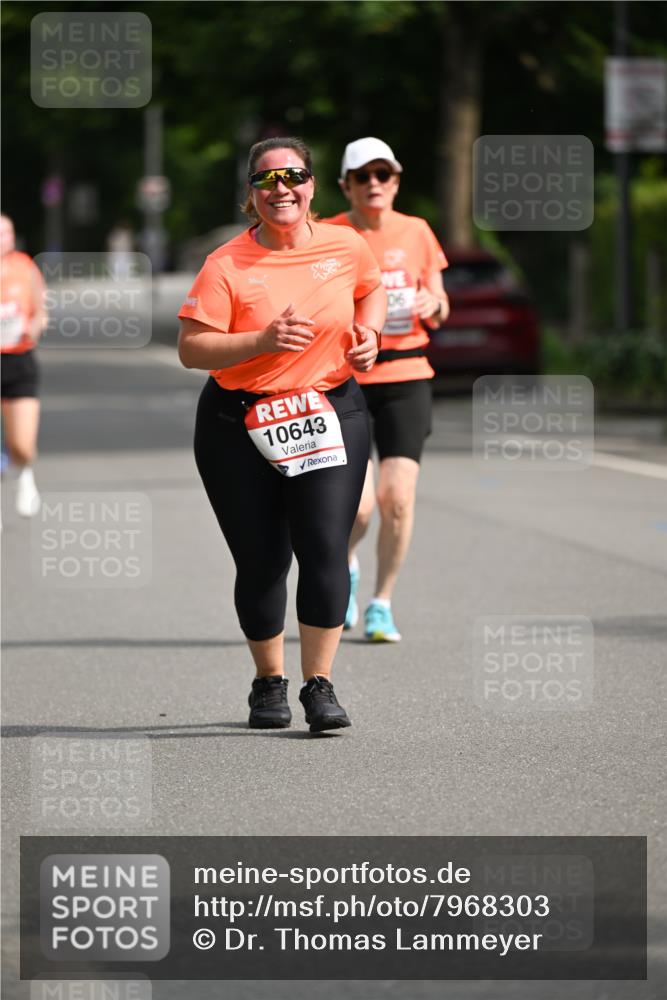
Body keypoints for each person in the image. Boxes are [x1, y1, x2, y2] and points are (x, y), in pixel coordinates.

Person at [177, 136, 386, 732]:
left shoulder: (347, 246)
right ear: (252, 193)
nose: (281, 190)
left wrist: (370, 334)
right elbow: (192, 347)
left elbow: (371, 289)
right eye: (267, 180)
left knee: (323, 547)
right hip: (237, 422)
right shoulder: (226, 263)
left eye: (292, 177)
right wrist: (262, 341)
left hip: (328, 409)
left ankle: (319, 685)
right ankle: (269, 681)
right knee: (263, 560)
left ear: (312, 185)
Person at [327, 138, 449, 643]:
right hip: (346, 377)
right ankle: (347, 565)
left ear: (396, 181)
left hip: (406, 375)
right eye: (363, 176)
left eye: (384, 175)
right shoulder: (327, 234)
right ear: (346, 185)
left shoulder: (417, 231)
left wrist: (430, 303)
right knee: (357, 506)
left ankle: (382, 603)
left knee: (396, 498)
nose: (374, 184)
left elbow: (442, 306)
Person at [1, 214, 47, 517]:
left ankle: (25, 472)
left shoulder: (25, 266)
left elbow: (41, 311)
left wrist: (34, 328)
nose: (3, 238)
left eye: (7, 232)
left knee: (22, 445)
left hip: (18, 360)